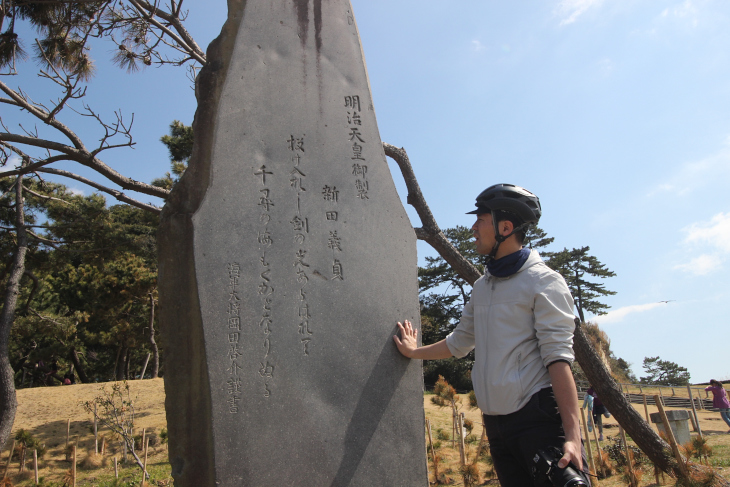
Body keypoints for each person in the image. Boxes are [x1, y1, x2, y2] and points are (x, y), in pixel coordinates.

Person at [393, 184, 588, 487]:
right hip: (495, 425)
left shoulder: (544, 282)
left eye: (480, 220)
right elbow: (459, 343)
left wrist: (574, 439)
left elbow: (558, 360)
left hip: (536, 420)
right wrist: (413, 351)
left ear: (505, 227)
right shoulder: (483, 286)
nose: (473, 228)